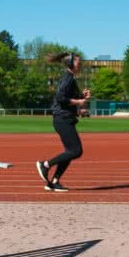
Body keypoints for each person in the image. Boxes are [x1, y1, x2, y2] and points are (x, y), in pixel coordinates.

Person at [36, 52, 90, 192]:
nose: (80, 64)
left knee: (70, 152)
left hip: (65, 118)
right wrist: (79, 101)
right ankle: (45, 165)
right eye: (78, 62)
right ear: (71, 64)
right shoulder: (68, 78)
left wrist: (81, 99)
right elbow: (60, 98)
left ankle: (54, 182)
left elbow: (66, 100)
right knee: (76, 151)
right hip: (62, 119)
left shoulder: (70, 78)